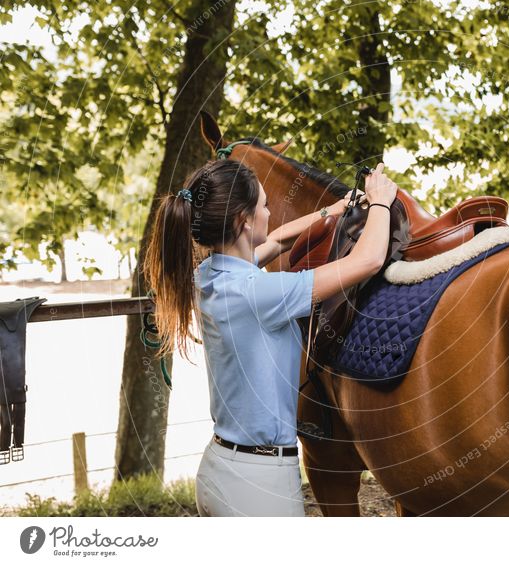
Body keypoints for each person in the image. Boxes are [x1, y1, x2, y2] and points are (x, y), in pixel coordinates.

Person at [142, 158, 397, 516]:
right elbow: (367, 260)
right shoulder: (257, 292)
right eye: (263, 205)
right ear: (243, 222)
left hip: (221, 467)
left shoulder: (210, 276)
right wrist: (382, 200)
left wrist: (335, 209)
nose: (269, 211)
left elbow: (277, 240)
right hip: (259, 483)